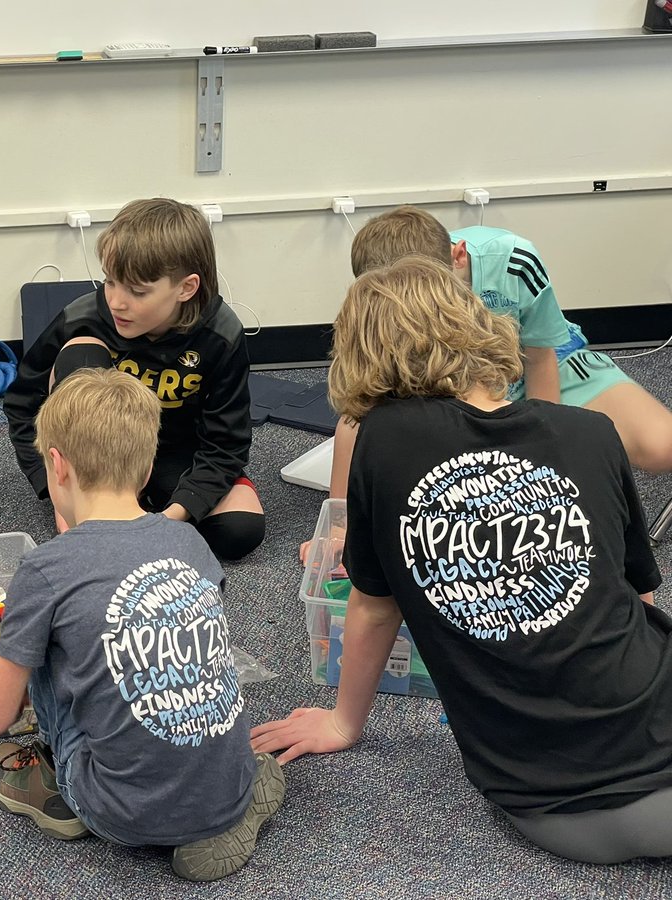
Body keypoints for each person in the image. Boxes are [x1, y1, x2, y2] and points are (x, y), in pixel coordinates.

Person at [255, 256, 672, 864]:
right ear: (479, 325)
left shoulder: (384, 442)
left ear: (362, 356)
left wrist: (344, 723)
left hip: (555, 810)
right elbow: (636, 595)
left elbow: (374, 608)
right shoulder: (589, 430)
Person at [0, 367, 284, 882]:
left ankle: (59, 787)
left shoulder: (45, 569)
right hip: (230, 782)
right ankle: (234, 803)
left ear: (57, 466)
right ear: (146, 472)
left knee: (45, 642)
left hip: (122, 815)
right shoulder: (189, 541)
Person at [327, 205, 672, 505]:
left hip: (542, 365)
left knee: (662, 446)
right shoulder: (379, 296)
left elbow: (541, 356)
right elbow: (358, 404)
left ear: (458, 256)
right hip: (445, 386)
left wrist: (541, 448)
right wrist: (339, 524)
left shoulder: (513, 260)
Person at [3, 198, 265, 561]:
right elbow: (23, 403)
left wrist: (173, 516)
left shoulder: (221, 334)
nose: (116, 302)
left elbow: (227, 444)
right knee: (81, 352)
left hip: (174, 454)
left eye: (137, 291)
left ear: (186, 288)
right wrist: (55, 487)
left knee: (239, 530)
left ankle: (136, 507)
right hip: (100, 457)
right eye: (110, 282)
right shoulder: (82, 318)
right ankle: (101, 500)